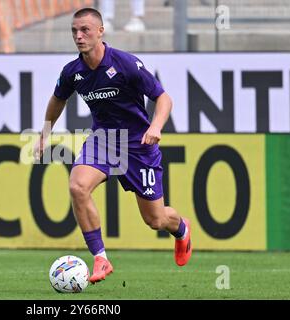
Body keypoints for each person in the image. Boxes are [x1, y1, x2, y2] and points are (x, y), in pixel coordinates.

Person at [34, 8, 192, 284]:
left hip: (139, 145)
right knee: (77, 186)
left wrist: (155, 127)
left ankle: (181, 229)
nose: (78, 36)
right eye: (74, 31)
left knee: (155, 219)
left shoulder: (125, 63)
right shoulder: (72, 72)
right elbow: (57, 99)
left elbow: (163, 98)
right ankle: (101, 258)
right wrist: (45, 132)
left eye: (84, 30)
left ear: (100, 31)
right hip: (105, 140)